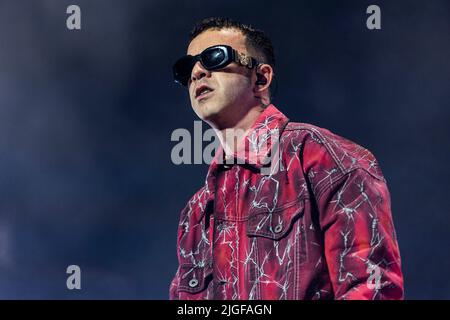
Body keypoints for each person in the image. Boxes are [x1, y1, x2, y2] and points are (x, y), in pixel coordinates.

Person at [169, 17, 404, 300]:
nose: (196, 72)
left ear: (261, 78)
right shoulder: (196, 213)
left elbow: (372, 288)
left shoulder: (321, 157)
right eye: (186, 68)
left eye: (214, 57)